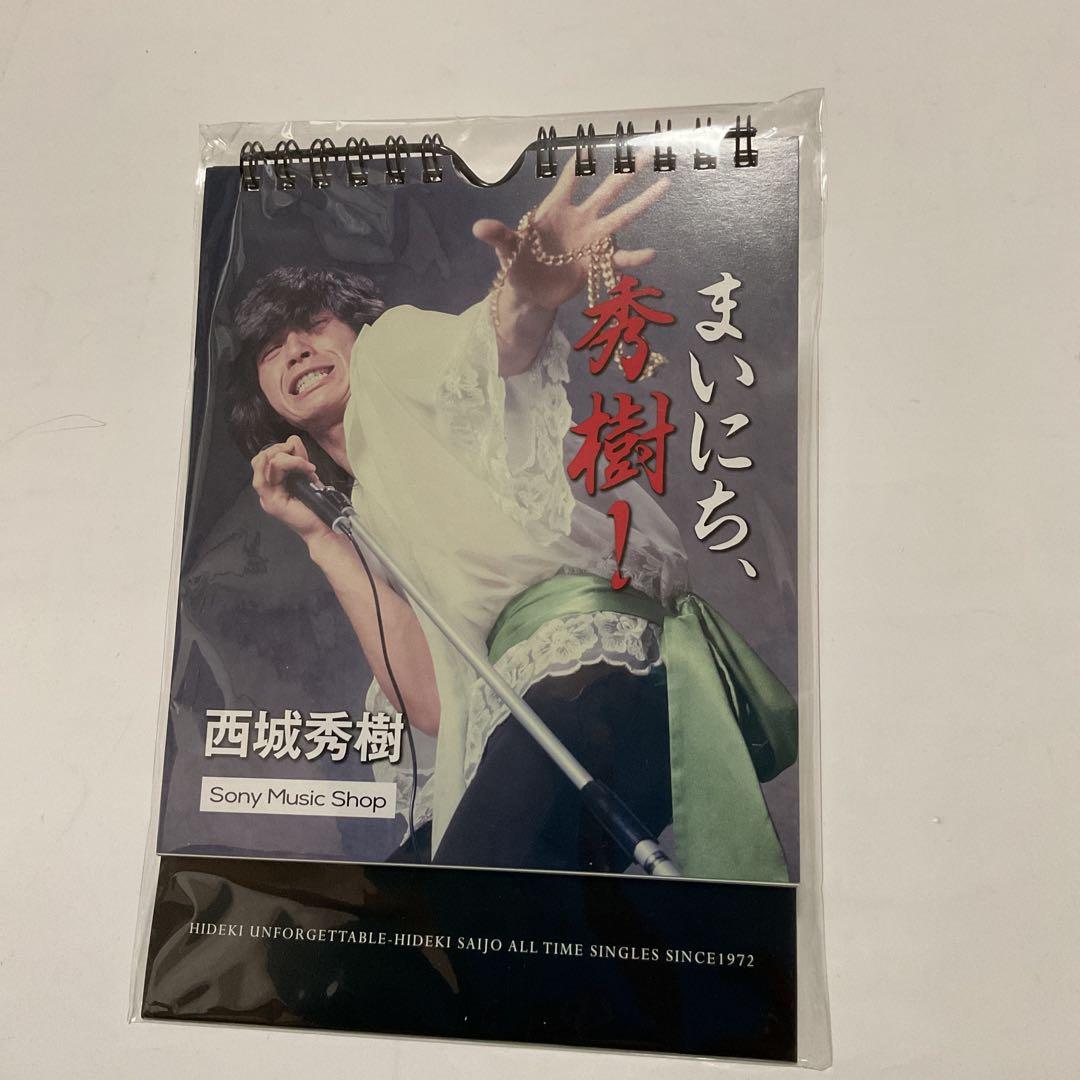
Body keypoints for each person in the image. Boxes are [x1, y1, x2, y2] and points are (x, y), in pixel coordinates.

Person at [228, 168, 796, 881]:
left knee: (473, 891)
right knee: (443, 904)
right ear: (264, 396)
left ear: (355, 331)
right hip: (554, 697)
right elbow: (430, 702)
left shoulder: (388, 354)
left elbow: (485, 346)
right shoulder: (366, 501)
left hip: (594, 668)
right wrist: (321, 538)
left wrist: (529, 292)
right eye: (272, 349)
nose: (298, 349)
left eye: (313, 326)